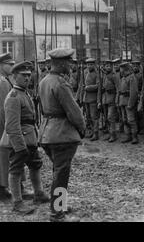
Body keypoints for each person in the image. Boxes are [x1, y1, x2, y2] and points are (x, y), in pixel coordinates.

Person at [38, 48, 85, 222]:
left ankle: (60, 204)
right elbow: (74, 112)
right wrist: (81, 128)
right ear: (62, 63)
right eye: (69, 62)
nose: (71, 65)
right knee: (61, 174)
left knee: (58, 171)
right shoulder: (61, 83)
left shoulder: (44, 81)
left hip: (46, 134)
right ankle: (57, 213)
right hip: (61, 135)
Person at [0, 61, 49, 214]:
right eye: (24, 76)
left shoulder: (24, 93)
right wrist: (19, 147)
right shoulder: (13, 96)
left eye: (29, 75)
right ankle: (17, 202)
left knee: (35, 165)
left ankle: (38, 193)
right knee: (15, 171)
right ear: (14, 77)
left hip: (30, 139)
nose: (28, 78)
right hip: (19, 141)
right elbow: (12, 126)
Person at [0, 53, 16, 201]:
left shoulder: (5, 80)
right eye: (9, 64)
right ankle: (3, 188)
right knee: (5, 156)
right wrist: (8, 127)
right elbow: (4, 107)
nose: (12, 66)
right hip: (3, 125)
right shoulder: (3, 82)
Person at [98, 60, 119, 142]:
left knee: (111, 117)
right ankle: (109, 134)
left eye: (110, 66)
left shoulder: (114, 76)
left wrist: (117, 100)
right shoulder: (103, 76)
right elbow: (101, 88)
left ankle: (113, 135)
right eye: (107, 66)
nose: (108, 67)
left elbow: (118, 89)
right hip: (104, 99)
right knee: (106, 117)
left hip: (112, 98)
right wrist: (99, 101)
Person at [118, 62, 139, 144]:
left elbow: (134, 92)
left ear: (125, 69)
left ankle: (134, 137)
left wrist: (130, 103)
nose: (121, 71)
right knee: (124, 120)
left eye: (122, 69)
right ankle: (128, 135)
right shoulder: (123, 78)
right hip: (122, 101)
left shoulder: (132, 78)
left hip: (128, 102)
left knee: (131, 120)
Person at [82, 58, 100, 141]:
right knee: (88, 116)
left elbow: (98, 86)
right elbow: (82, 84)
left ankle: (96, 133)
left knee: (94, 117)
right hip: (86, 98)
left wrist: (88, 88)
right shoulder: (85, 72)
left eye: (91, 64)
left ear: (94, 65)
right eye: (88, 64)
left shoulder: (97, 74)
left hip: (93, 98)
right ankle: (91, 131)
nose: (89, 66)